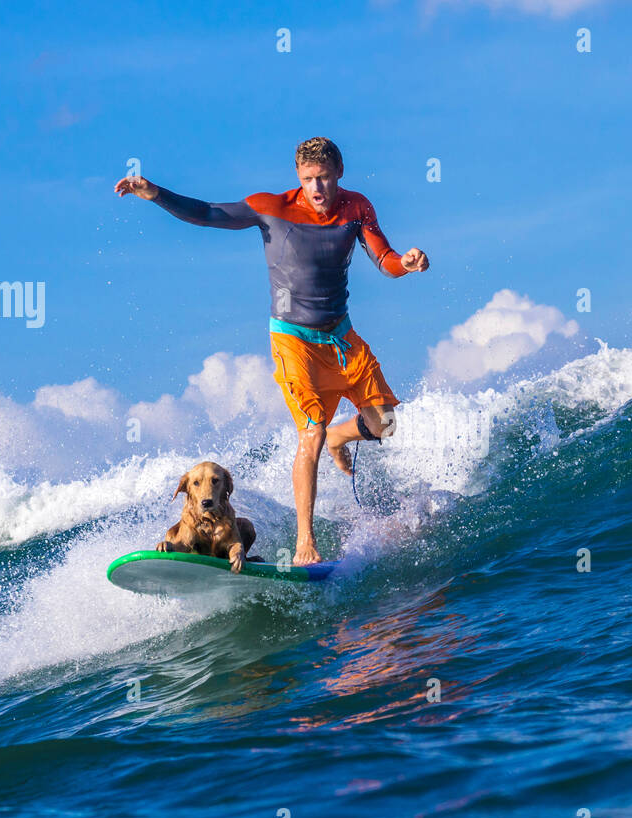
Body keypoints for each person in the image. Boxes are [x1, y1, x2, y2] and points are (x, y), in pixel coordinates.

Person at [114, 136, 429, 565]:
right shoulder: (272, 207)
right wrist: (156, 194)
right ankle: (306, 541)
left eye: (324, 178)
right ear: (298, 178)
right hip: (293, 341)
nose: (316, 188)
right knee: (311, 433)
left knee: (386, 423)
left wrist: (405, 264)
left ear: (339, 174)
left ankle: (341, 433)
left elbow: (384, 259)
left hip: (341, 337)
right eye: (308, 179)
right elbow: (208, 214)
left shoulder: (358, 208)